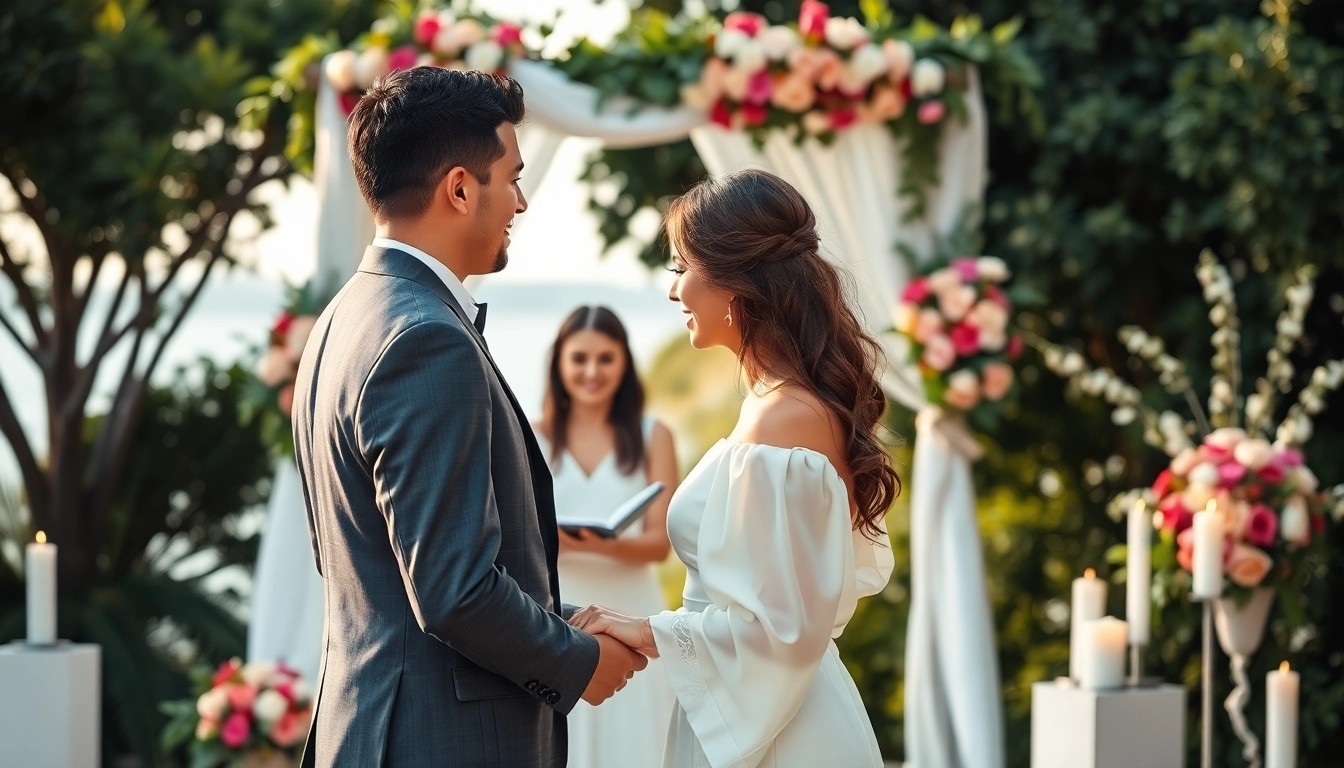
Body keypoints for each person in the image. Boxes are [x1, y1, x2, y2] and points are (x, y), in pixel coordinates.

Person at [290, 67, 646, 768]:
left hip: (377, 725)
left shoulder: (345, 317)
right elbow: (453, 591)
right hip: (438, 742)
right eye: (512, 177)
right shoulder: (426, 339)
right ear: (459, 187)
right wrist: (575, 659)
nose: (520, 200)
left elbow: (389, 571)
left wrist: (561, 617)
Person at [568, 169, 899, 768]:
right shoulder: (780, 405)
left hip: (782, 732)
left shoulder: (784, 420)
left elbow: (784, 629)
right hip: (756, 705)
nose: (673, 293)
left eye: (680, 269)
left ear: (735, 280)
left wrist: (653, 630)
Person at [535, 306, 678, 768]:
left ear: (625, 363)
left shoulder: (654, 436)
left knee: (638, 743)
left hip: (634, 612)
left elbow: (659, 543)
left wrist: (585, 542)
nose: (591, 372)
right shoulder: (530, 437)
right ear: (559, 363)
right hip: (559, 614)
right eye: (579, 359)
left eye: (605, 359)